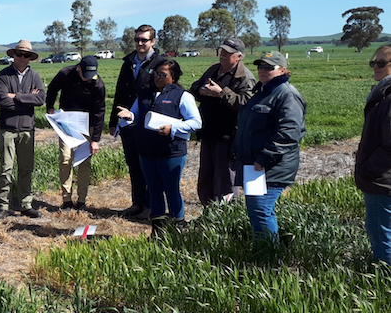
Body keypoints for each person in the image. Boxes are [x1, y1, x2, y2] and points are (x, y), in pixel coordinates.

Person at [117, 59, 202, 231]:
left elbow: (196, 122)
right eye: (155, 74)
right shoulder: (144, 94)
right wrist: (128, 117)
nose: (158, 78)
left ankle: (177, 226)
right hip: (146, 150)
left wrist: (173, 128)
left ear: (173, 77)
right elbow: (136, 116)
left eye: (163, 75)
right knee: (154, 190)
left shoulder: (182, 96)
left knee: (171, 189)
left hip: (171, 151)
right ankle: (158, 230)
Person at [233, 52, 306, 250]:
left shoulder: (286, 94)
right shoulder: (262, 92)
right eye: (260, 67)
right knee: (256, 209)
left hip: (269, 166)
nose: (263, 71)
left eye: (269, 67)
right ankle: (263, 251)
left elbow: (289, 132)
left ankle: (270, 258)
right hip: (254, 165)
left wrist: (264, 158)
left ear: (282, 70)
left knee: (262, 209)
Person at [189, 38, 256, 206]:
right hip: (209, 132)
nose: (223, 56)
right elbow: (193, 88)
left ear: (239, 57)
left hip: (229, 136)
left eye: (228, 53)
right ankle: (208, 213)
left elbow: (246, 105)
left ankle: (226, 216)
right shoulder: (213, 70)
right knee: (206, 177)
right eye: (222, 52)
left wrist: (221, 93)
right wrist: (201, 91)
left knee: (225, 179)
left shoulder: (245, 77)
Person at [109, 25, 166, 219]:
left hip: (149, 121)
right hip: (127, 122)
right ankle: (137, 203)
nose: (140, 43)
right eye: (137, 40)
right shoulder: (128, 62)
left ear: (153, 41)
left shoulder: (161, 63)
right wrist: (113, 121)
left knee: (149, 165)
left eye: (144, 40)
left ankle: (152, 206)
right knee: (133, 163)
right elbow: (119, 92)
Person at [46, 55, 107, 209]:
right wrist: (50, 107)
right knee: (65, 159)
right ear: (78, 68)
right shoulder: (65, 74)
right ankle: (66, 199)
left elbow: (100, 112)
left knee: (84, 162)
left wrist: (95, 140)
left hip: (87, 125)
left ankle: (81, 200)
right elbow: (52, 89)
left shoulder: (98, 84)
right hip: (67, 122)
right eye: (85, 75)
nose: (87, 79)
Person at [0, 40, 45, 219]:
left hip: (27, 129)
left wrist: (16, 97)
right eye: (20, 54)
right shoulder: (4, 75)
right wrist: (28, 99)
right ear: (13, 55)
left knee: (26, 168)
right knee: (5, 169)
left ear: (30, 57)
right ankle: (3, 205)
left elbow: (41, 100)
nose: (23, 58)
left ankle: (25, 204)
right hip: (7, 129)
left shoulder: (35, 76)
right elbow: (2, 100)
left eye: (26, 55)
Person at [355, 46, 391, 264]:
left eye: (381, 63)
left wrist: (369, 169)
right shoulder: (383, 92)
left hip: (382, 180)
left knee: (381, 234)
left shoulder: (388, 96)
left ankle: (384, 286)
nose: (375, 67)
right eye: (373, 63)